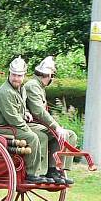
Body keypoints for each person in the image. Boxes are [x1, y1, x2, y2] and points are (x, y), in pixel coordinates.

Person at [0, 57, 51, 184]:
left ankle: (42, 171)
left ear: (24, 76)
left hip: (14, 125)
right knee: (32, 137)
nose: (16, 78)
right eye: (14, 75)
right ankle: (30, 173)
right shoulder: (5, 92)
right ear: (9, 74)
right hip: (3, 127)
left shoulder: (21, 89)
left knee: (44, 134)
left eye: (19, 75)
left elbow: (21, 107)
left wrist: (26, 112)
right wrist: (27, 128)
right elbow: (13, 118)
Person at [24, 56, 76, 184]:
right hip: (29, 124)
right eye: (52, 76)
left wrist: (56, 127)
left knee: (70, 135)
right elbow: (38, 111)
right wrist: (55, 126)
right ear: (47, 75)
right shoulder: (32, 86)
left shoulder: (39, 86)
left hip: (38, 123)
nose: (52, 79)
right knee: (45, 135)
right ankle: (40, 171)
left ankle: (56, 169)